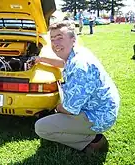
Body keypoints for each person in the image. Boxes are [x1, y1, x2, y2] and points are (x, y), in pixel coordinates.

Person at [34, 20, 120, 153]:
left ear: (73, 39)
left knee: (41, 127)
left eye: (60, 38)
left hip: (97, 116)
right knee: (54, 118)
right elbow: (63, 62)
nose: (56, 43)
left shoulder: (80, 66)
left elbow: (70, 109)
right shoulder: (76, 53)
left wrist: (55, 110)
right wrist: (41, 59)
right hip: (100, 108)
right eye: (52, 39)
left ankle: (94, 140)